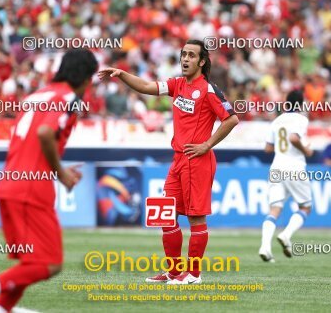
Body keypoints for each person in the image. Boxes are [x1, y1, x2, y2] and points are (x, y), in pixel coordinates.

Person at [0, 49, 98, 313]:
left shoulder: (36, 96)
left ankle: (1, 309)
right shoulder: (68, 98)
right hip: (31, 189)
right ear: (84, 77)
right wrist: (60, 173)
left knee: (30, 262)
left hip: (11, 183)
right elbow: (45, 133)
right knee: (50, 264)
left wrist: (56, 167)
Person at [98, 39, 239, 284]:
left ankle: (193, 274)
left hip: (197, 159)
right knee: (166, 215)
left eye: (191, 56)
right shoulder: (177, 85)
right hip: (178, 160)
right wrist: (121, 74)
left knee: (196, 218)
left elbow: (231, 120)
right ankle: (174, 272)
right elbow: (144, 85)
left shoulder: (208, 90)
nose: (185, 59)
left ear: (202, 61)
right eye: (183, 54)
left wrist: (206, 145)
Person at [259, 90, 313, 262]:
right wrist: (307, 150)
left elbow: (268, 149)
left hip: (276, 166)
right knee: (305, 206)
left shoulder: (276, 121)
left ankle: (265, 247)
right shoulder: (301, 119)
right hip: (294, 166)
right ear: (300, 104)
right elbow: (294, 138)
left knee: (274, 209)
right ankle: (286, 234)